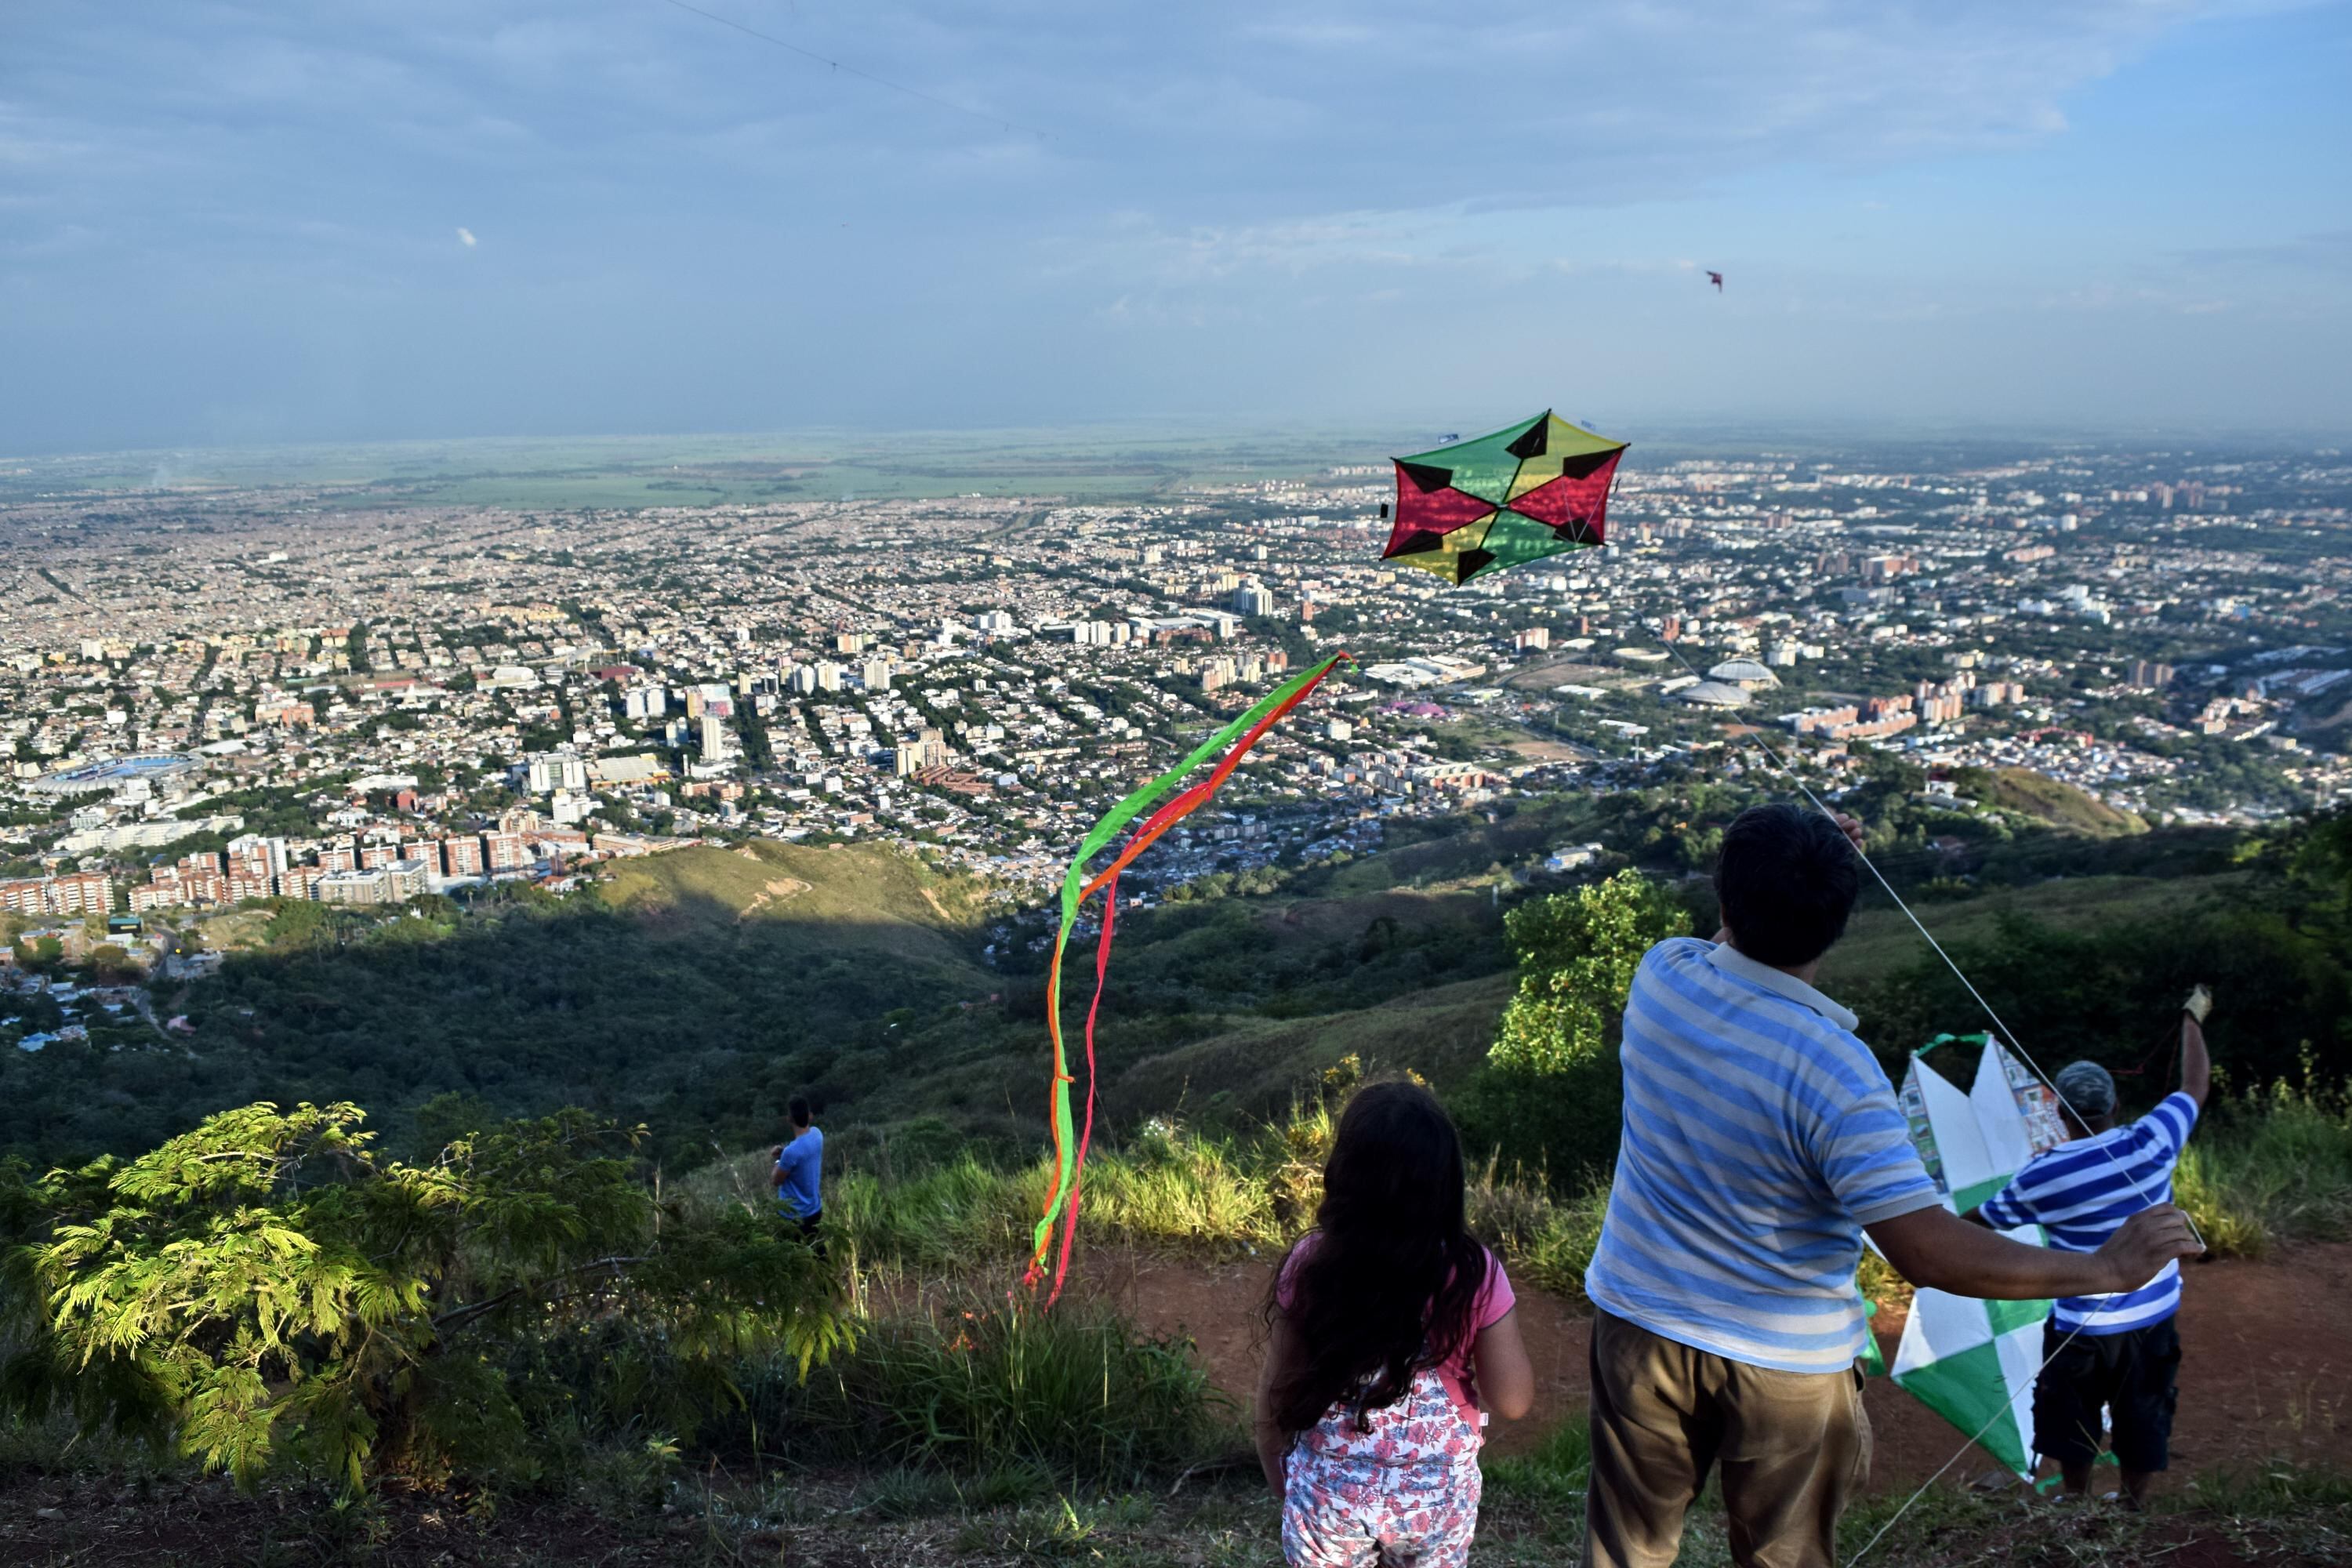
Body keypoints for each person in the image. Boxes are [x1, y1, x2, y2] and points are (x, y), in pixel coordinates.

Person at [1582, 804, 2203, 1568]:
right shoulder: (1838, 1070)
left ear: (1724, 900)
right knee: (1784, 1556)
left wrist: (1788, 869)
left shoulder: (1663, 977)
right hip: (1787, 1363)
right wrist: (2106, 1268)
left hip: (1639, 1323)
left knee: (1626, 1549)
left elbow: (1730, 942)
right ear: (1839, 920)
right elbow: (1926, 1249)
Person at [1254, 1080, 1534, 1568]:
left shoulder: (1311, 1265)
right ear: (1446, 1184)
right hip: (1435, 1508)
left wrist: (1290, 1489)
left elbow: (1272, 1401)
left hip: (1327, 1504)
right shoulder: (1473, 1273)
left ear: (1342, 1176)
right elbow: (1512, 1401)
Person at [1967, 988, 2212, 1508]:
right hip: (2156, 1315)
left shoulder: (2042, 1174)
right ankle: (2131, 1503)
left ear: (2056, 1110)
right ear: (2115, 1105)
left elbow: (1978, 1224)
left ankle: (2075, 1503)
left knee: (2068, 1413)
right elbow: (2195, 1085)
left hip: (2081, 1325)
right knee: (2145, 1411)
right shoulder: (2153, 1139)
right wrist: (2192, 1018)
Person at [771, 1094, 824, 1247]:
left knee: (789, 1254)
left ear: (789, 1119)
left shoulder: (790, 1152)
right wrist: (785, 1153)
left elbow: (776, 1180)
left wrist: (778, 1159)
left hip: (791, 1215)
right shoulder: (817, 1134)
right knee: (818, 1252)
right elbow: (803, 1153)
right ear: (810, 1116)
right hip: (814, 1209)